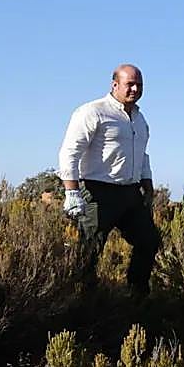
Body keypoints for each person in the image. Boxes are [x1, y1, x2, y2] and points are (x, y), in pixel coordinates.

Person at [57, 64, 160, 295]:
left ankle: (136, 295)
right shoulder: (93, 112)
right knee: (89, 251)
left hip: (131, 193)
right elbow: (69, 152)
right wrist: (71, 192)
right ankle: (81, 299)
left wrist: (148, 185)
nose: (135, 89)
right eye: (129, 84)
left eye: (139, 85)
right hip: (98, 192)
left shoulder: (139, 118)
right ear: (115, 84)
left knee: (149, 241)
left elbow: (142, 154)